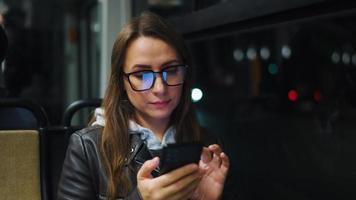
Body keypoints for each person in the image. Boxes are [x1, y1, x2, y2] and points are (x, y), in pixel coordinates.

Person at [57, 11, 230, 200]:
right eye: (142, 75)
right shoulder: (88, 148)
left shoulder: (206, 143)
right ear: (121, 81)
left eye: (171, 71)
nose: (159, 88)